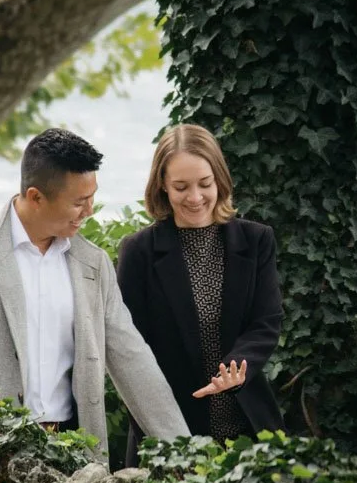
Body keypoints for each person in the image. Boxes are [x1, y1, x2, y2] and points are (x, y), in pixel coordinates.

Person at [0, 127, 189, 459]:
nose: (89, 210)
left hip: (75, 451)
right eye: (79, 202)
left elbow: (133, 360)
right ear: (35, 197)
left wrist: (184, 453)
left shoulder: (94, 264)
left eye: (93, 196)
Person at [117, 123, 283, 464]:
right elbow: (129, 346)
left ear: (219, 179)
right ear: (162, 185)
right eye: (181, 187)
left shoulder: (257, 240)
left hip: (247, 429)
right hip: (168, 432)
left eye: (204, 184)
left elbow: (266, 320)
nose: (195, 198)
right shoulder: (138, 251)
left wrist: (236, 369)